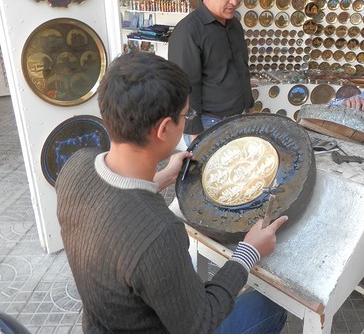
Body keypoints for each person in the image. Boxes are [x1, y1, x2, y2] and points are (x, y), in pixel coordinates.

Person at [56, 52, 287, 333]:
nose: (186, 120)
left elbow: (111, 201)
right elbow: (199, 323)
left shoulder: (75, 166)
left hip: (102, 323)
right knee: (271, 308)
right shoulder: (159, 233)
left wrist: (161, 177)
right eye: (185, 115)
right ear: (165, 128)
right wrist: (248, 252)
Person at [168, 0, 253, 144]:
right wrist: (194, 132)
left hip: (239, 117)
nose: (235, 1)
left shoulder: (234, 25)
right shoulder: (188, 31)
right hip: (209, 123)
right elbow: (184, 87)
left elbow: (241, 69)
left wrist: (249, 106)